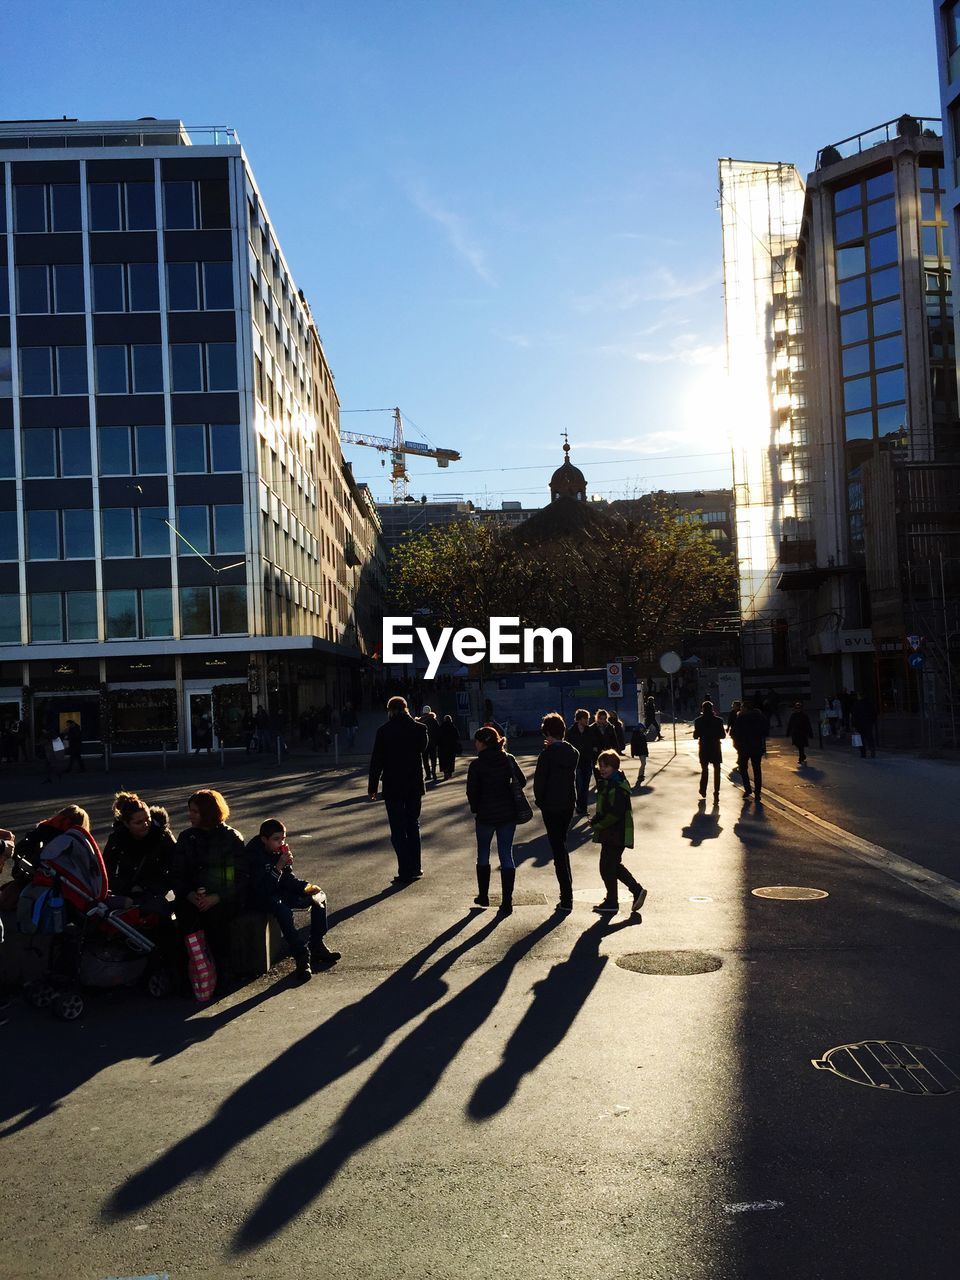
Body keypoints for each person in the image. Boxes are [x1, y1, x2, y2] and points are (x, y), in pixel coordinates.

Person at [246, 818, 340, 981]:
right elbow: (262, 889)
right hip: (260, 897)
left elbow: (288, 880)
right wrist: (278, 867)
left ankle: (317, 944)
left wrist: (306, 887)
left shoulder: (280, 852)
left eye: (283, 838)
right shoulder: (254, 855)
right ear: (264, 839)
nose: (281, 843)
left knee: (318, 897)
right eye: (276, 839)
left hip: (280, 890)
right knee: (283, 911)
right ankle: (301, 956)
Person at [173, 789, 248, 992]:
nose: (190, 816)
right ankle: (192, 974)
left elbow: (240, 877)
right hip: (195, 895)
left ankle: (223, 973)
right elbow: (178, 873)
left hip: (223, 897)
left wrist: (217, 896)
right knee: (185, 916)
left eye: (195, 812)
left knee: (216, 920)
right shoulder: (187, 838)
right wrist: (189, 894)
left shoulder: (230, 838)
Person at [368, 696, 430, 884]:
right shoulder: (419, 729)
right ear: (406, 709)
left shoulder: (384, 731)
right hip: (414, 785)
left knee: (397, 829)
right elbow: (423, 748)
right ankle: (416, 866)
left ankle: (404, 869)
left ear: (391, 711)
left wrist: (372, 787)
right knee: (413, 824)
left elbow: (376, 761)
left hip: (393, 785)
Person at [466, 725, 525, 915]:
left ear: (483, 743)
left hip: (485, 814)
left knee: (483, 853)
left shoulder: (476, 765)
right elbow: (521, 781)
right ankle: (507, 901)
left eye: (477, 741)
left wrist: (475, 809)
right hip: (507, 813)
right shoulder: (507, 759)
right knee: (506, 854)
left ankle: (483, 895)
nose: (475, 744)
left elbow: (471, 791)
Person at [103, 791, 176, 916]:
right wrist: (127, 888)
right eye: (138, 823)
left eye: (148, 819)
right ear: (126, 824)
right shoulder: (117, 839)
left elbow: (177, 865)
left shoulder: (161, 835)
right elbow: (105, 871)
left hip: (155, 891)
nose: (145, 825)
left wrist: (154, 887)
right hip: (127, 893)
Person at [590, 749, 645, 915]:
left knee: (607, 866)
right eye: (600, 765)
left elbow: (614, 813)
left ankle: (618, 898)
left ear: (614, 767)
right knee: (612, 865)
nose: (602, 769)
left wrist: (598, 825)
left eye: (606, 766)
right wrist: (596, 820)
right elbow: (605, 809)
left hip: (616, 832)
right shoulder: (608, 782)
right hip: (613, 832)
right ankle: (629, 893)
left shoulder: (616, 786)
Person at [533, 712, 578, 912]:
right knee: (561, 845)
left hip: (551, 804)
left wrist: (540, 801)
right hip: (568, 802)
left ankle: (566, 896)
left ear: (549, 733)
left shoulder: (546, 755)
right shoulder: (572, 752)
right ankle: (567, 894)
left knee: (557, 847)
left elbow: (539, 782)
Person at [733, 698, 768, 801]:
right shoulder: (760, 717)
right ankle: (757, 793)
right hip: (756, 746)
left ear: (746, 709)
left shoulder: (741, 718)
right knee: (757, 769)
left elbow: (735, 733)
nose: (741, 709)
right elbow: (765, 730)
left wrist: (737, 745)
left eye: (743, 707)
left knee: (743, 768)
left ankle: (747, 788)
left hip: (744, 747)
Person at [692, 699, 726, 800]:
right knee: (717, 770)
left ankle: (703, 789)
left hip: (704, 747)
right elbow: (723, 735)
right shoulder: (719, 720)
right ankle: (716, 792)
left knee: (705, 770)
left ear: (702, 709)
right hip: (715, 747)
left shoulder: (698, 721)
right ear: (712, 709)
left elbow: (695, 735)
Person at [565, 709, 596, 816]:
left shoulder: (590, 730)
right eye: (585, 718)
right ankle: (579, 807)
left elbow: (594, 743)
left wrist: (593, 751)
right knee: (579, 786)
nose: (587, 720)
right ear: (579, 719)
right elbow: (567, 747)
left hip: (587, 762)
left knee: (585, 786)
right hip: (576, 763)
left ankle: (583, 808)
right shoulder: (571, 731)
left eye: (587, 718)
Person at [785, 701, 814, 766]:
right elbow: (790, 724)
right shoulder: (793, 715)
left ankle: (801, 758)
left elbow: (808, 724)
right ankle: (802, 755)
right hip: (795, 733)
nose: (798, 709)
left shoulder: (804, 716)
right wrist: (788, 732)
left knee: (801, 745)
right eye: (797, 708)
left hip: (802, 732)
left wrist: (810, 733)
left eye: (799, 708)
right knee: (798, 745)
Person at [851, 693, 878, 759]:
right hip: (868, 723)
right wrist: (872, 721)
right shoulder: (869, 703)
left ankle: (863, 753)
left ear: (859, 696)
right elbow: (874, 713)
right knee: (869, 737)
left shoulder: (856, 704)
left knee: (861, 739)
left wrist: (854, 725)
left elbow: (854, 715)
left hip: (860, 724)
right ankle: (872, 751)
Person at [417, 705, 440, 781]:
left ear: (423, 711)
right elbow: (438, 732)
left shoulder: (420, 721)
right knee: (433, 759)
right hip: (433, 744)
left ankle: (428, 775)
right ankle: (434, 773)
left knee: (425, 760)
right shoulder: (434, 720)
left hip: (423, 744)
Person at [437, 714, 461, 781]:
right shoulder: (453, 727)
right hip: (451, 747)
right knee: (450, 760)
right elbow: (457, 737)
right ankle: (450, 772)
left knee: (444, 760)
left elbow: (438, 737)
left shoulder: (441, 727)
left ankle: (445, 772)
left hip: (443, 747)